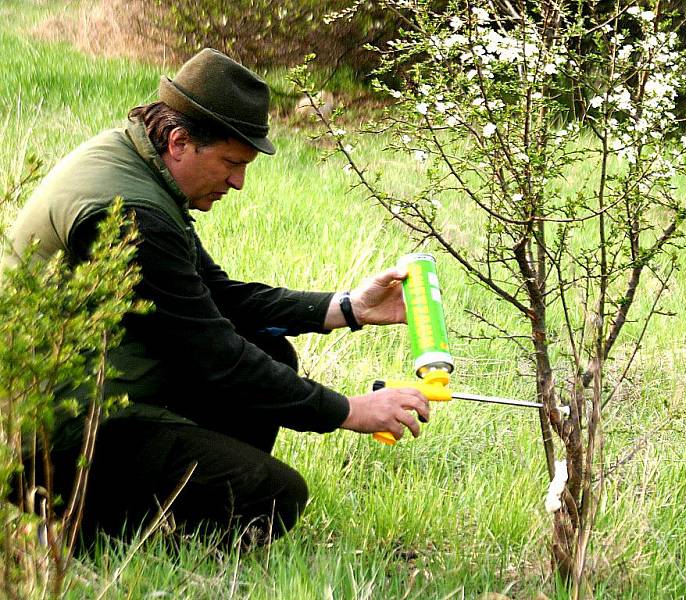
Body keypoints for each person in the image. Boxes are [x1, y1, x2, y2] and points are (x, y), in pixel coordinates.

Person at [3, 48, 429, 545]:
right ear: (181, 141)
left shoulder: (134, 160)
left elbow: (220, 296)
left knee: (270, 352)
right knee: (270, 498)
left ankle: (170, 494)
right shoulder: (131, 212)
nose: (238, 182)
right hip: (48, 432)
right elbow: (215, 355)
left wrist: (349, 307)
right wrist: (348, 411)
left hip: (83, 393)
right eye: (231, 162)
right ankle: (85, 533)